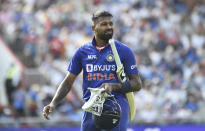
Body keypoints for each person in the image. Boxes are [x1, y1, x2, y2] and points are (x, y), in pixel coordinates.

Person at [43, 10, 142, 131]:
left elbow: (137, 84)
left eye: (111, 24)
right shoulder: (82, 52)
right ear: (93, 27)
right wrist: (53, 103)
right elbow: (68, 81)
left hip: (117, 104)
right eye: (104, 24)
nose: (109, 27)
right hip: (92, 106)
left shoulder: (124, 50)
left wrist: (114, 86)